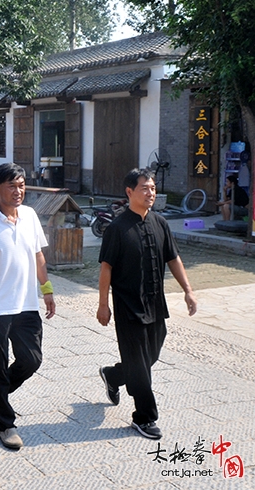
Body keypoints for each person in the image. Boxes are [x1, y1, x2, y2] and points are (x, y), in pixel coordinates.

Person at [97, 168, 197, 441]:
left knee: (149, 357)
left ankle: (113, 375)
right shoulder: (117, 228)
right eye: (144, 188)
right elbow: (106, 268)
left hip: (155, 303)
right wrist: (103, 304)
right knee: (140, 365)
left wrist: (188, 290)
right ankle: (144, 417)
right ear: (129, 192)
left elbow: (173, 258)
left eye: (152, 188)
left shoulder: (161, 223)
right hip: (127, 307)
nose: (150, 193)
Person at [0, 163, 55, 450]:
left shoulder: (29, 216)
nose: (18, 191)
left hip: (27, 304)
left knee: (31, 359)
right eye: (12, 186)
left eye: (22, 185)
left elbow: (38, 255)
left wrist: (47, 289)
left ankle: (0, 391)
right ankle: (6, 423)